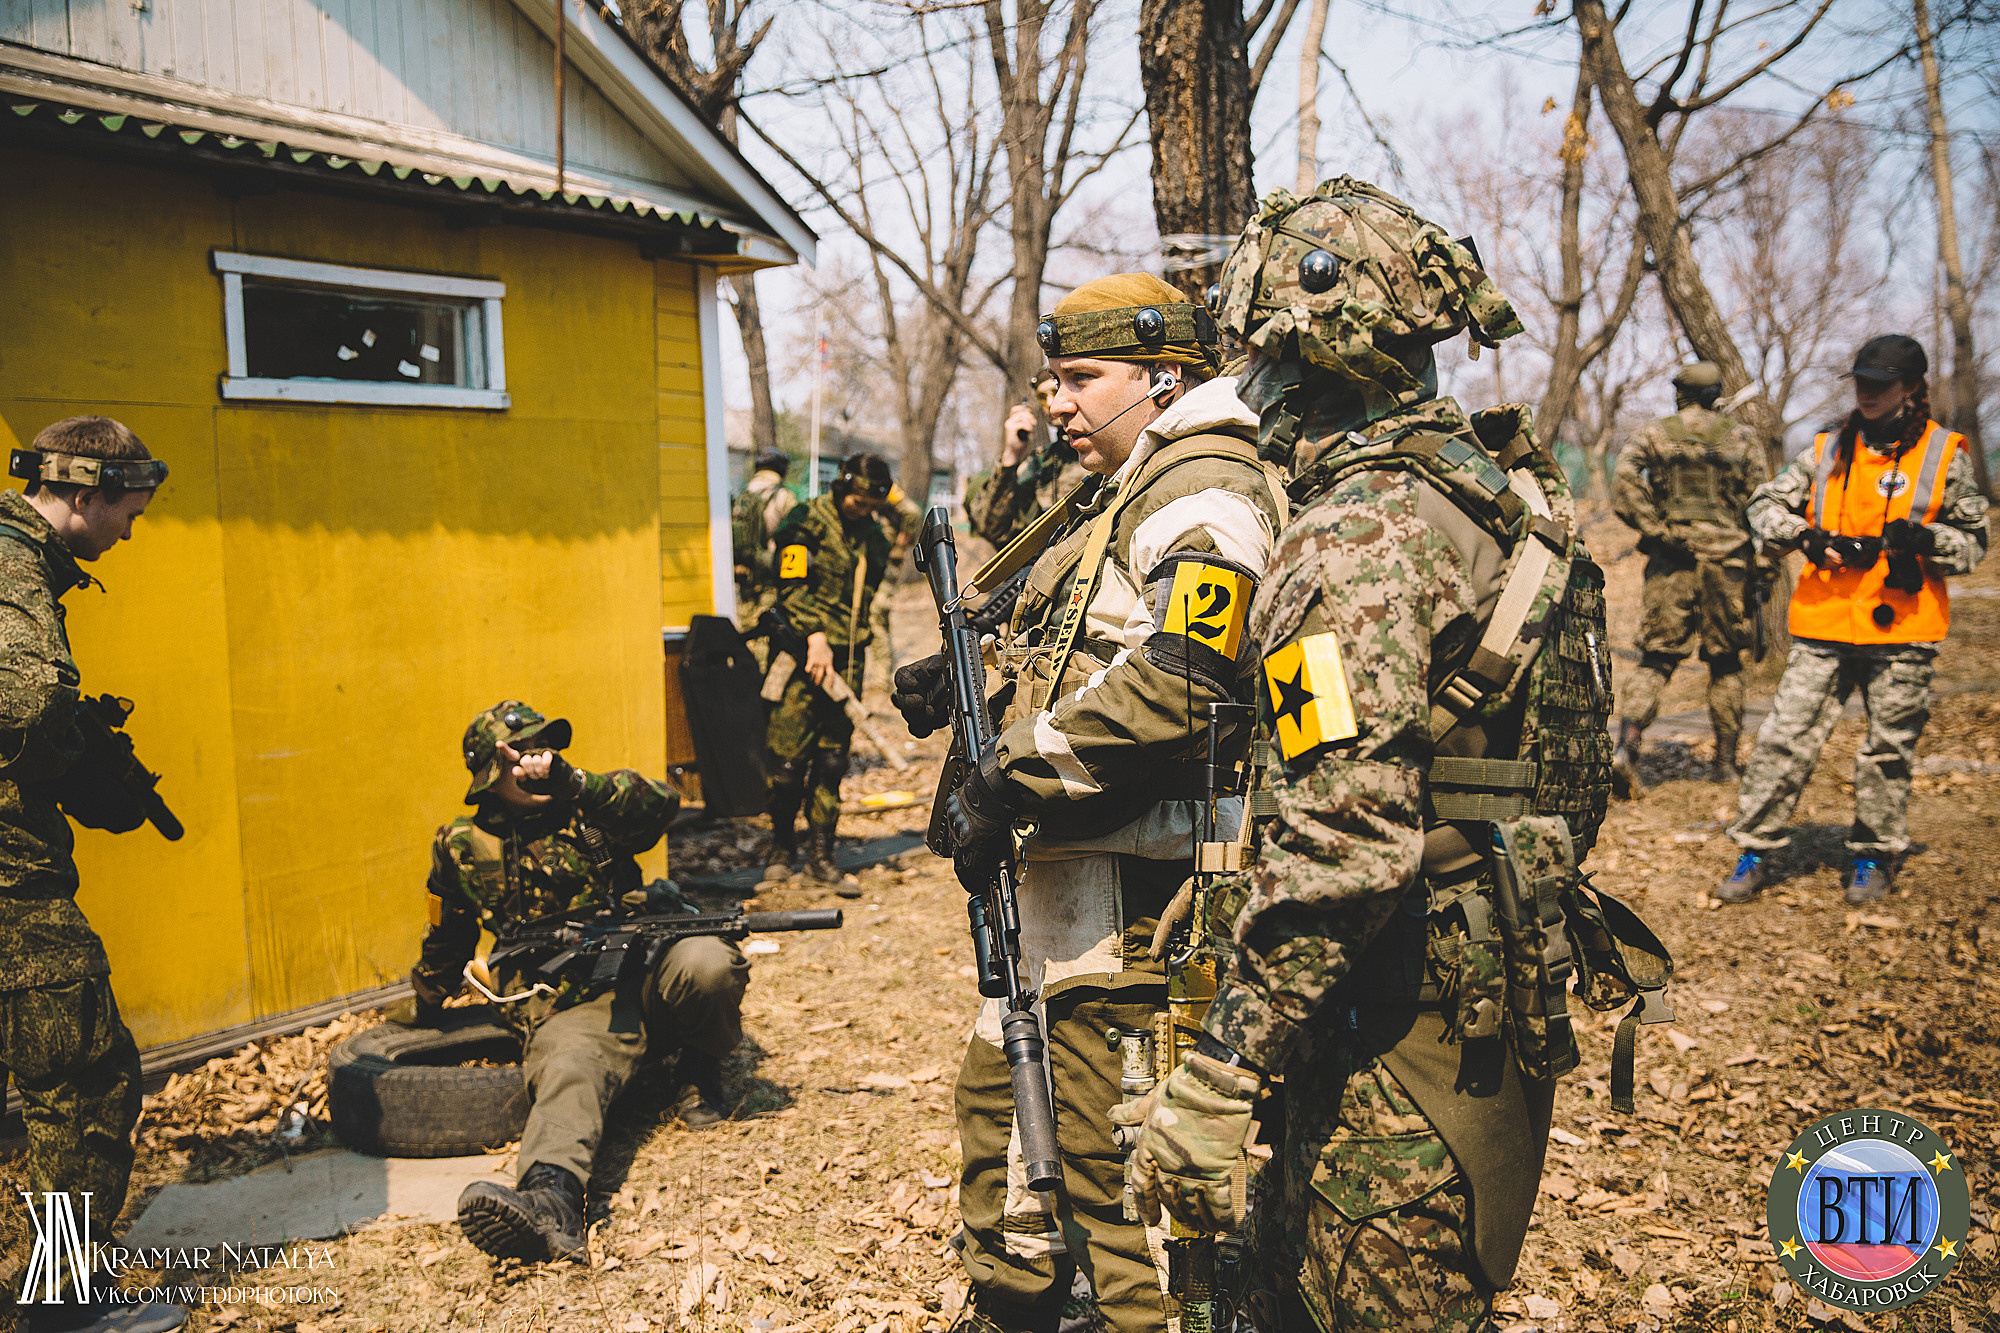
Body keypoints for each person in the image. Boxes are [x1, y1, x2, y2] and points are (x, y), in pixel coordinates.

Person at [1112, 180, 1632, 1332]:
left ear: (1312, 363)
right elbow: (1571, 771)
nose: (1251, 396)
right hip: (1481, 978)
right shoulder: (1502, 495)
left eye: (1264, 367)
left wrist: (1222, 1068)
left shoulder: (1356, 537)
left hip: (1387, 1017)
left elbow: (1340, 836)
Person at [895, 273, 1286, 1333]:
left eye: (1081, 378)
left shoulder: (1203, 491)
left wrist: (1004, 773)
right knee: (1004, 1119)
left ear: (1163, 377)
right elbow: (1085, 630)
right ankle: (1018, 1303)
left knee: (1118, 1171)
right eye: (1051, 379)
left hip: (1138, 886)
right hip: (1067, 875)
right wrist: (966, 663)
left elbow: (1182, 678)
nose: (1057, 402)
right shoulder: (1125, 482)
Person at [412, 702, 750, 1263]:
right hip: (574, 1002)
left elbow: (659, 804)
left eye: (548, 749)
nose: (541, 761)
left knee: (709, 963)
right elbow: (447, 934)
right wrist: (425, 1001)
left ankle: (698, 1066)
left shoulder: (591, 806)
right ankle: (552, 1201)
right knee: (568, 1066)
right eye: (522, 755)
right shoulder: (463, 846)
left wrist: (573, 782)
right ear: (491, 777)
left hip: (647, 970)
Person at [1, 417, 187, 1333]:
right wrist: (80, 760)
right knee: (84, 1074)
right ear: (83, 492)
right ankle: (63, 1301)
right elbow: (31, 702)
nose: (128, 532)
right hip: (9, 877)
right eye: (128, 512)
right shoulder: (13, 561)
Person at [1719, 335, 1988, 906]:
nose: (1866, 392)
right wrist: (1806, 536)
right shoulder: (1826, 450)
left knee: (1888, 748)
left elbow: (1973, 544)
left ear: (1912, 388)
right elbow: (1764, 506)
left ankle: (1873, 855)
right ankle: (1755, 849)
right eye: (1860, 381)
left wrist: (1924, 541)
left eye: (1880, 383)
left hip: (1904, 629)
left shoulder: (1944, 454)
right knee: (1783, 739)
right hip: (1823, 623)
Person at [1611, 361, 1770, 786]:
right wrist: (1765, 567)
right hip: (1728, 563)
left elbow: (1624, 478)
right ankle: (1725, 764)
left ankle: (1626, 748)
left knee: (1656, 658)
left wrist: (1656, 529)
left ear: (1679, 393)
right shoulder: (1741, 437)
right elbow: (1764, 503)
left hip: (1671, 560)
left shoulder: (1655, 433)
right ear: (1714, 392)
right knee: (1725, 664)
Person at [763, 453, 893, 887]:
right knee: (786, 765)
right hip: (800, 656)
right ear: (842, 488)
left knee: (832, 760)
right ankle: (782, 849)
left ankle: (821, 856)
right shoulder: (805, 521)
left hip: (847, 661)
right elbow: (791, 585)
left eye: (872, 505)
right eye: (859, 502)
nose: (864, 511)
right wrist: (814, 637)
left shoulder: (874, 537)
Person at [966, 368, 1089, 551]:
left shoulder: (1106, 453)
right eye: (1042, 397)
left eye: (1055, 391)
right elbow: (992, 528)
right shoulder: (1040, 464)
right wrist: (1011, 455)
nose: (1049, 403)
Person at [732, 447, 800, 632]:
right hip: (769, 570)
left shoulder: (742, 494)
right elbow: (796, 534)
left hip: (743, 569)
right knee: (764, 625)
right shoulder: (783, 496)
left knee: (745, 624)